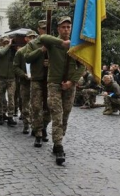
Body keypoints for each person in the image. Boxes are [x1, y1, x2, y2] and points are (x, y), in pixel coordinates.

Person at [34, 16, 85, 165]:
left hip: (70, 84)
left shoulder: (76, 45)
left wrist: (71, 82)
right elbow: (43, 37)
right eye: (63, 27)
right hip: (54, 84)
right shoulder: (52, 43)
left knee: (65, 115)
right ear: (58, 29)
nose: (66, 29)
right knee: (57, 113)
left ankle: (58, 137)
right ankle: (58, 145)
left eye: (68, 27)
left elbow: (82, 65)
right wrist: (62, 43)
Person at [25, 20, 51, 144]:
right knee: (36, 106)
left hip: (50, 80)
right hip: (37, 79)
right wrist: (41, 50)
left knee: (49, 107)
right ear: (39, 30)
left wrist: (50, 62)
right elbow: (27, 58)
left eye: (47, 28)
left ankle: (44, 126)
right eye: (43, 28)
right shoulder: (33, 44)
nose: (45, 31)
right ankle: (38, 132)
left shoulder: (54, 42)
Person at [14, 30, 37, 133]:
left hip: (36, 82)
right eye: (30, 37)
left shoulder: (40, 50)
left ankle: (35, 125)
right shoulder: (20, 52)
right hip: (24, 82)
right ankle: (26, 124)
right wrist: (23, 75)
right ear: (26, 39)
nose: (32, 39)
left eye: (34, 37)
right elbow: (15, 67)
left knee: (36, 105)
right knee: (25, 103)